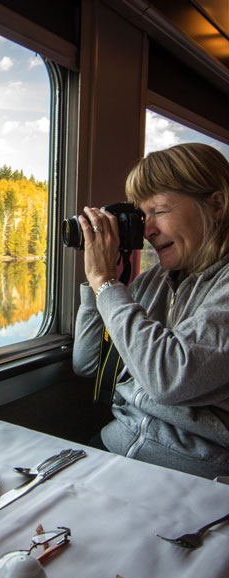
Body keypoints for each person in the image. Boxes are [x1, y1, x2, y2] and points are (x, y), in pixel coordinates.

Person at [72, 142, 229, 479]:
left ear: (215, 205)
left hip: (193, 475)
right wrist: (102, 284)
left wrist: (106, 285)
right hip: (118, 444)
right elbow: (89, 363)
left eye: (159, 210)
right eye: (143, 215)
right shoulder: (154, 282)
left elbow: (170, 379)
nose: (147, 230)